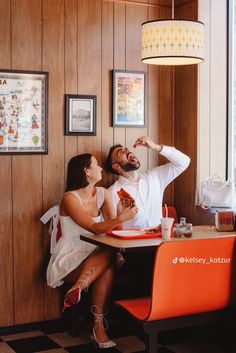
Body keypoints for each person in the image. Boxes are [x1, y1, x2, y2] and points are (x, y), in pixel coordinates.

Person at [46, 153, 137, 349]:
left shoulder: (103, 193)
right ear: (86, 171)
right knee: (109, 258)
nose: (101, 169)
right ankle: (98, 326)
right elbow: (95, 228)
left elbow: (112, 230)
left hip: (98, 253)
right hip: (70, 257)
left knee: (108, 254)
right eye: (96, 165)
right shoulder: (69, 198)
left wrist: (121, 213)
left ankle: (80, 290)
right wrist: (122, 219)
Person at [106, 136, 190, 229]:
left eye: (126, 149)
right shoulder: (112, 193)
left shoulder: (155, 177)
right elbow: (108, 228)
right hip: (132, 242)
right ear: (116, 166)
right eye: (121, 152)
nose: (127, 151)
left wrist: (155, 147)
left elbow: (184, 162)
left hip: (160, 241)